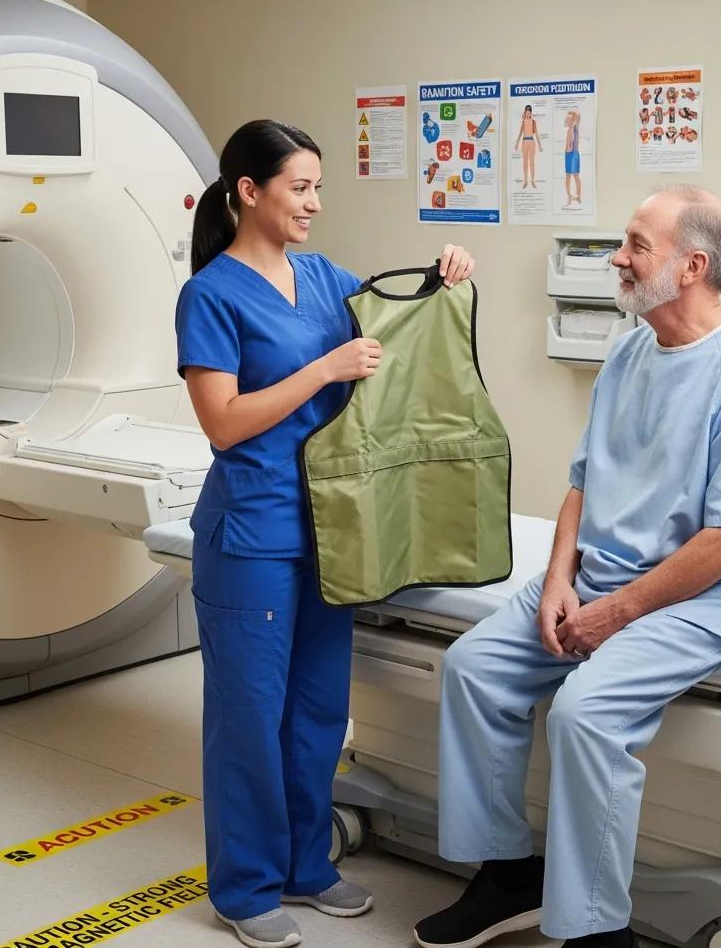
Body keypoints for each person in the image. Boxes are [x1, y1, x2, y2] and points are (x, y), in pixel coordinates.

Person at [414, 185, 721, 948]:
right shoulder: (629, 351)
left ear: (693, 266)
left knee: (585, 714)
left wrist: (616, 612)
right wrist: (561, 581)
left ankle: (600, 933)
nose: (616, 260)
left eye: (635, 245)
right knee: (474, 668)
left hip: (712, 591)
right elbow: (583, 483)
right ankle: (507, 874)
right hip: (604, 571)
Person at [176, 119, 475, 948]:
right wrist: (322, 370)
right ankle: (244, 888)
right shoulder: (209, 295)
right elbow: (224, 422)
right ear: (250, 192)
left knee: (315, 712)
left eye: (317, 187)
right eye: (299, 187)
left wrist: (447, 276)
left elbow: (396, 321)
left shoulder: (320, 276)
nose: (314, 202)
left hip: (333, 531)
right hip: (252, 537)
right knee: (249, 719)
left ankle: (309, 865)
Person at [514, 104, 542, 189]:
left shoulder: (534, 122)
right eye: (526, 113)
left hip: (532, 141)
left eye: (529, 113)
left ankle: (532, 180)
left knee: (532, 162)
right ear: (525, 113)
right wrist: (517, 144)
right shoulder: (523, 122)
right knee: (525, 163)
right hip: (524, 141)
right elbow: (520, 133)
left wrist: (540, 145)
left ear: (531, 113)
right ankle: (525, 181)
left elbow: (536, 134)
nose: (528, 114)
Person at [564, 110, 582, 206]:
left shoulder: (576, 128)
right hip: (568, 154)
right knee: (568, 176)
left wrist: (571, 112)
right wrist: (566, 152)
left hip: (574, 154)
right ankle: (569, 196)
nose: (570, 121)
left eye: (572, 119)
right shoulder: (568, 131)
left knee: (576, 176)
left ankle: (578, 196)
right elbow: (567, 144)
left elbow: (578, 115)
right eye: (569, 120)